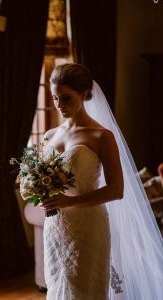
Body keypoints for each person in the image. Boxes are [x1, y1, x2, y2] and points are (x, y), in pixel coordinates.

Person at [40, 63, 163, 300]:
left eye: (66, 98)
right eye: (55, 98)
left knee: (85, 290)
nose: (59, 105)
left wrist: (68, 201)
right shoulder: (49, 136)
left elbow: (116, 190)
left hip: (88, 225)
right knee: (57, 287)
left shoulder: (102, 136)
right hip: (55, 227)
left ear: (84, 94)